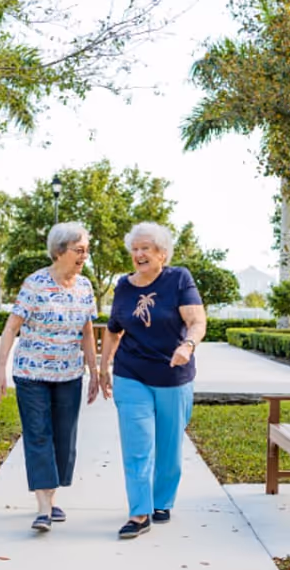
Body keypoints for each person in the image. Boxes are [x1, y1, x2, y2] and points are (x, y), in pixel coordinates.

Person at [99, 222, 207, 539]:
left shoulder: (178, 279)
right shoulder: (123, 285)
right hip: (131, 373)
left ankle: (162, 501)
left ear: (162, 253)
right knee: (137, 445)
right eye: (134, 249)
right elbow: (113, 328)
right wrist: (103, 366)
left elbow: (197, 320)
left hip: (174, 376)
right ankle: (139, 512)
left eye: (146, 248)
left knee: (169, 446)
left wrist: (188, 345)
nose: (139, 254)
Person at [0, 222, 99, 532]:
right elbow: (12, 327)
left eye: (86, 251)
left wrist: (94, 372)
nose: (84, 256)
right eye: (80, 250)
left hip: (68, 374)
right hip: (31, 373)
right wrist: (0, 370)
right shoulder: (35, 283)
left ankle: (50, 498)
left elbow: (87, 331)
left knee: (65, 438)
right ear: (60, 251)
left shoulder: (85, 286)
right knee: (38, 434)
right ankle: (43, 507)